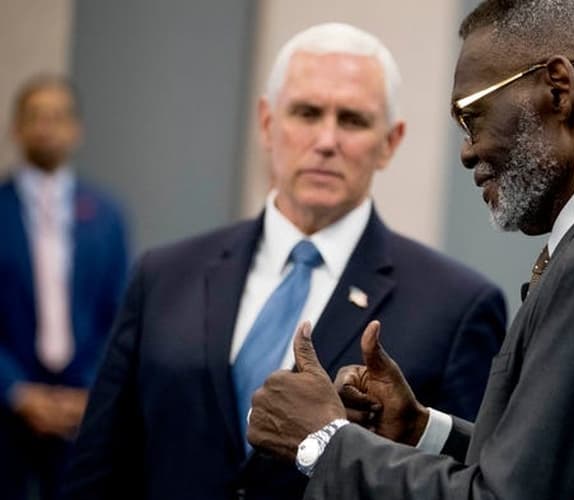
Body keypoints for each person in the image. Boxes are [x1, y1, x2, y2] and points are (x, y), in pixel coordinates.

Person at [245, 2, 574, 499]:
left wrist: (325, 441)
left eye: (471, 115)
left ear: (557, 87)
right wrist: (421, 429)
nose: (467, 150)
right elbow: (570, 472)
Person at [63, 22, 506, 500]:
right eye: (307, 112)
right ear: (268, 123)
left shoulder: (456, 306)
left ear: (390, 142)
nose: (326, 140)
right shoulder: (163, 276)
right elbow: (98, 466)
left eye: (353, 120)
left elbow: (461, 485)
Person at [0, 75, 129, 500]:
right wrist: (16, 391)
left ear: (76, 129)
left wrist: (90, 392)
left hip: (82, 408)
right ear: (16, 127)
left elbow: (120, 316)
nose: (46, 127)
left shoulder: (107, 216)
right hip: (7, 404)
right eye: (35, 116)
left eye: (57, 117)